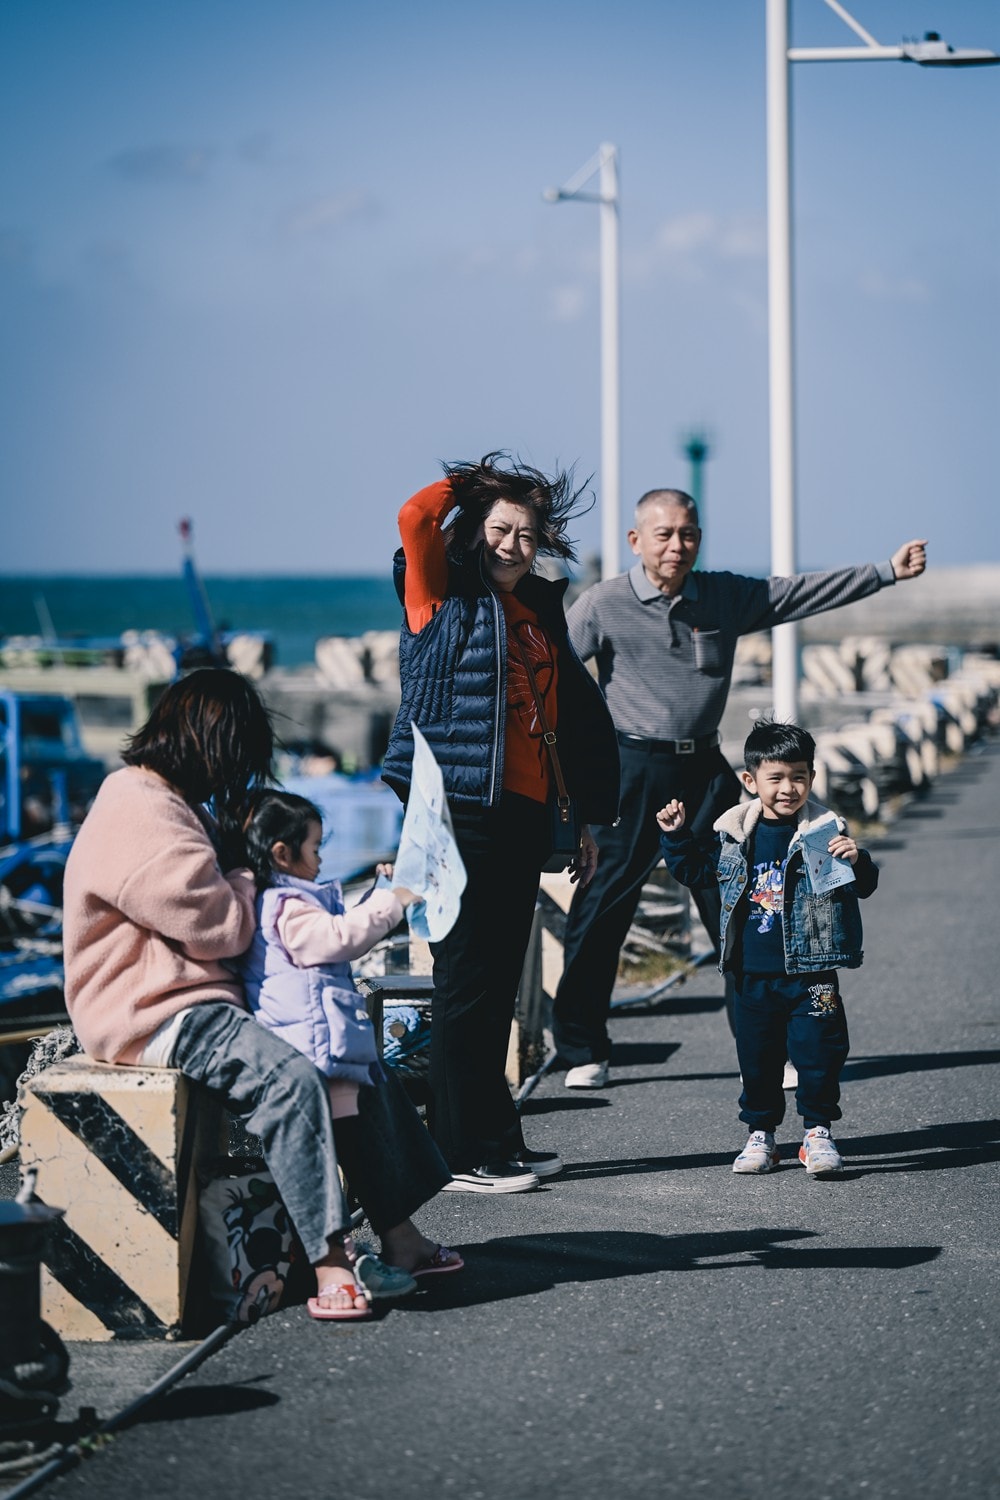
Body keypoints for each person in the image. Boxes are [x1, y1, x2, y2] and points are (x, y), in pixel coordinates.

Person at [62, 668, 452, 1324]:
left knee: (348, 1058)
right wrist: (248, 877)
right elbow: (218, 925)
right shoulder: (138, 804)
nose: (235, 778)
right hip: (154, 1009)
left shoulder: (178, 804)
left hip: (207, 997)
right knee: (290, 1077)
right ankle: (330, 1257)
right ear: (213, 744)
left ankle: (402, 1234)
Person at [551, 487, 925, 1088]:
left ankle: (765, 1046)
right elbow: (554, 677)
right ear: (636, 541)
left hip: (704, 769)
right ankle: (582, 1048)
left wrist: (884, 571)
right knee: (600, 910)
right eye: (665, 534)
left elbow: (795, 594)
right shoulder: (603, 603)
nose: (678, 545)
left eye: (689, 534)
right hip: (628, 770)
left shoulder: (722, 594)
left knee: (747, 906)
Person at [382, 454, 620, 1193]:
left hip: (522, 817)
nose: (514, 544)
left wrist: (572, 816)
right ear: (475, 531)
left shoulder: (536, 613)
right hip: (458, 815)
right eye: (500, 528)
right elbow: (416, 517)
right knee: (465, 984)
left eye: (527, 532)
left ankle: (495, 1138)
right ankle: (457, 1154)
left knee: (495, 988)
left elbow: (553, 725)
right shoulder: (438, 595)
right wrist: (477, 483)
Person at [239, 788, 463, 1292]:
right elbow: (336, 939)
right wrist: (394, 901)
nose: (320, 859)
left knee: (365, 1148)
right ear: (282, 854)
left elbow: (334, 937)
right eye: (315, 849)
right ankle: (360, 1252)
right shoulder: (285, 904)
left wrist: (375, 899)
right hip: (320, 1059)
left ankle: (399, 1240)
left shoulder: (277, 899)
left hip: (326, 1053)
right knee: (362, 1151)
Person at [657, 719, 879, 1176]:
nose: (788, 788)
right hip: (751, 972)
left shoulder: (824, 832)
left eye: (798, 776)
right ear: (750, 781)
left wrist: (860, 860)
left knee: (820, 1054)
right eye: (775, 778)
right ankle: (761, 1135)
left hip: (812, 972)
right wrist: (677, 836)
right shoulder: (735, 836)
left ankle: (817, 1133)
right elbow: (697, 873)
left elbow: (863, 887)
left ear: (812, 778)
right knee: (757, 1060)